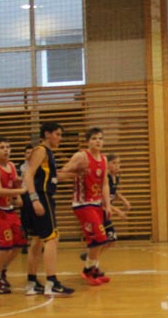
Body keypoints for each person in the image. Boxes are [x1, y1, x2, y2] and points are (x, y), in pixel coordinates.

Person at [21, 123, 74, 297]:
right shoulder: (41, 150)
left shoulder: (48, 154)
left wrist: (76, 173)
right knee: (52, 238)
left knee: (37, 240)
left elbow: (53, 176)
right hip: (41, 196)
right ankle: (52, 282)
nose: (60, 138)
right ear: (47, 134)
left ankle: (32, 283)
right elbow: (29, 174)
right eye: (57, 134)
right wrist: (35, 198)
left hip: (39, 196)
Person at [61, 127, 114, 286]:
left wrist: (107, 204)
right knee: (99, 238)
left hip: (97, 204)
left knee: (100, 239)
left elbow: (104, 184)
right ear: (87, 141)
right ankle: (87, 270)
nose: (98, 141)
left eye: (100, 138)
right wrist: (75, 171)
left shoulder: (104, 159)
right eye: (94, 138)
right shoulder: (81, 156)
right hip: (83, 204)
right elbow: (63, 172)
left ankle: (94, 269)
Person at [0, 137, 28, 293]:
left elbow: (14, 183)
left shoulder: (12, 165)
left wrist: (18, 195)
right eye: (2, 147)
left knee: (20, 240)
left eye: (8, 147)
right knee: (5, 243)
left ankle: (2, 270)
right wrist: (21, 191)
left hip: (8, 208)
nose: (6, 150)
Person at [79, 152, 130, 262]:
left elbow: (114, 192)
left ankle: (90, 257)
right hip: (99, 212)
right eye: (114, 163)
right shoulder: (105, 178)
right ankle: (92, 260)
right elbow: (102, 200)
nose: (117, 166)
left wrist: (123, 200)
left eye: (118, 163)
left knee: (111, 240)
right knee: (105, 239)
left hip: (105, 213)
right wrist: (117, 210)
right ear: (107, 164)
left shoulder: (116, 177)